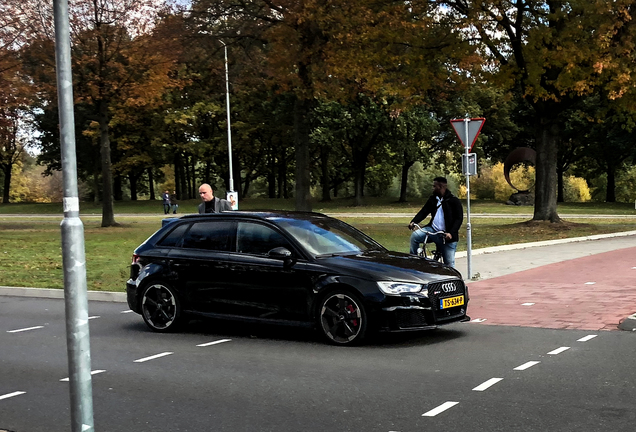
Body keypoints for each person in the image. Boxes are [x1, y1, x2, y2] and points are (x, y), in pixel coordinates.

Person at [408, 176, 463, 268]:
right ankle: (414, 261)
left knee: (449, 265)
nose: (432, 188)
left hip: (447, 236)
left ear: (441, 187)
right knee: (415, 236)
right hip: (433, 230)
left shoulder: (454, 201)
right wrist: (414, 222)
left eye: (434, 186)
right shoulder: (433, 199)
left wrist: (451, 233)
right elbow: (424, 211)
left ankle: (452, 280)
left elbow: (459, 218)